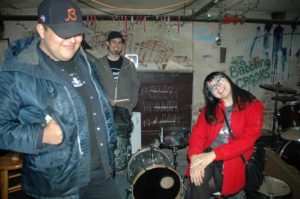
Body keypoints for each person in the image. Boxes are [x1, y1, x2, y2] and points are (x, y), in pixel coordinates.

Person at [0, 0, 121, 198]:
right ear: (41, 30)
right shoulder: (17, 72)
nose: (72, 40)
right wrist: (39, 135)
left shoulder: (86, 61)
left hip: (100, 174)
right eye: (63, 32)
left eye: (77, 32)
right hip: (57, 185)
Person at [186, 71, 264, 199]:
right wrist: (194, 158)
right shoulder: (210, 109)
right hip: (208, 154)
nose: (218, 87)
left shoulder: (252, 105)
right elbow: (197, 134)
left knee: (196, 186)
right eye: (213, 87)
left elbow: (248, 140)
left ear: (228, 79)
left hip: (233, 159)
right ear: (211, 93)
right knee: (197, 179)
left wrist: (214, 155)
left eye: (219, 81)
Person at [94, 31, 140, 170]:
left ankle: (121, 167)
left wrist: (132, 104)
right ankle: (105, 168)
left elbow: (135, 85)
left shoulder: (128, 64)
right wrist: (105, 99)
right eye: (114, 42)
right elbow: (94, 84)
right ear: (107, 44)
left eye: (119, 43)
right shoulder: (98, 63)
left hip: (123, 110)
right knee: (104, 141)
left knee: (123, 142)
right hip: (104, 109)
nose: (117, 45)